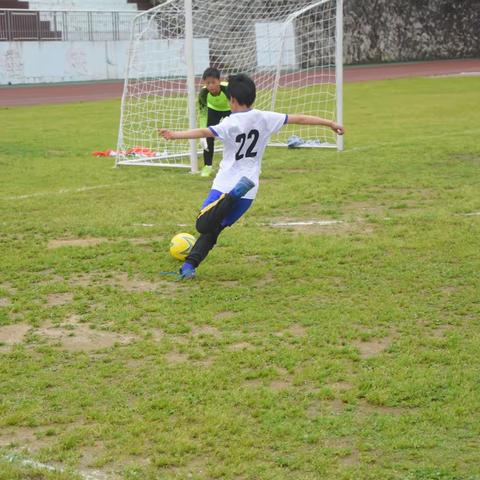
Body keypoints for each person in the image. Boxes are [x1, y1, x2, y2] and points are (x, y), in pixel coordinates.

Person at [160, 73, 344, 279]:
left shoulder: (230, 122)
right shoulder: (266, 117)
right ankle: (189, 267)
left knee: (202, 225)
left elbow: (204, 132)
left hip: (226, 184)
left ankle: (229, 197)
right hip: (249, 190)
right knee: (213, 231)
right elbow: (299, 118)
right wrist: (330, 123)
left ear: (232, 100)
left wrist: (174, 135)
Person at [197, 67, 231, 177]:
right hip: (213, 110)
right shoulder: (203, 93)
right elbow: (203, 114)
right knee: (208, 137)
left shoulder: (228, 89)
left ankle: (235, 164)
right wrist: (202, 133)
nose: (211, 85)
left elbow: (238, 105)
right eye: (208, 83)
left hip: (230, 110)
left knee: (234, 136)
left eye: (213, 82)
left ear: (219, 81)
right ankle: (207, 166)